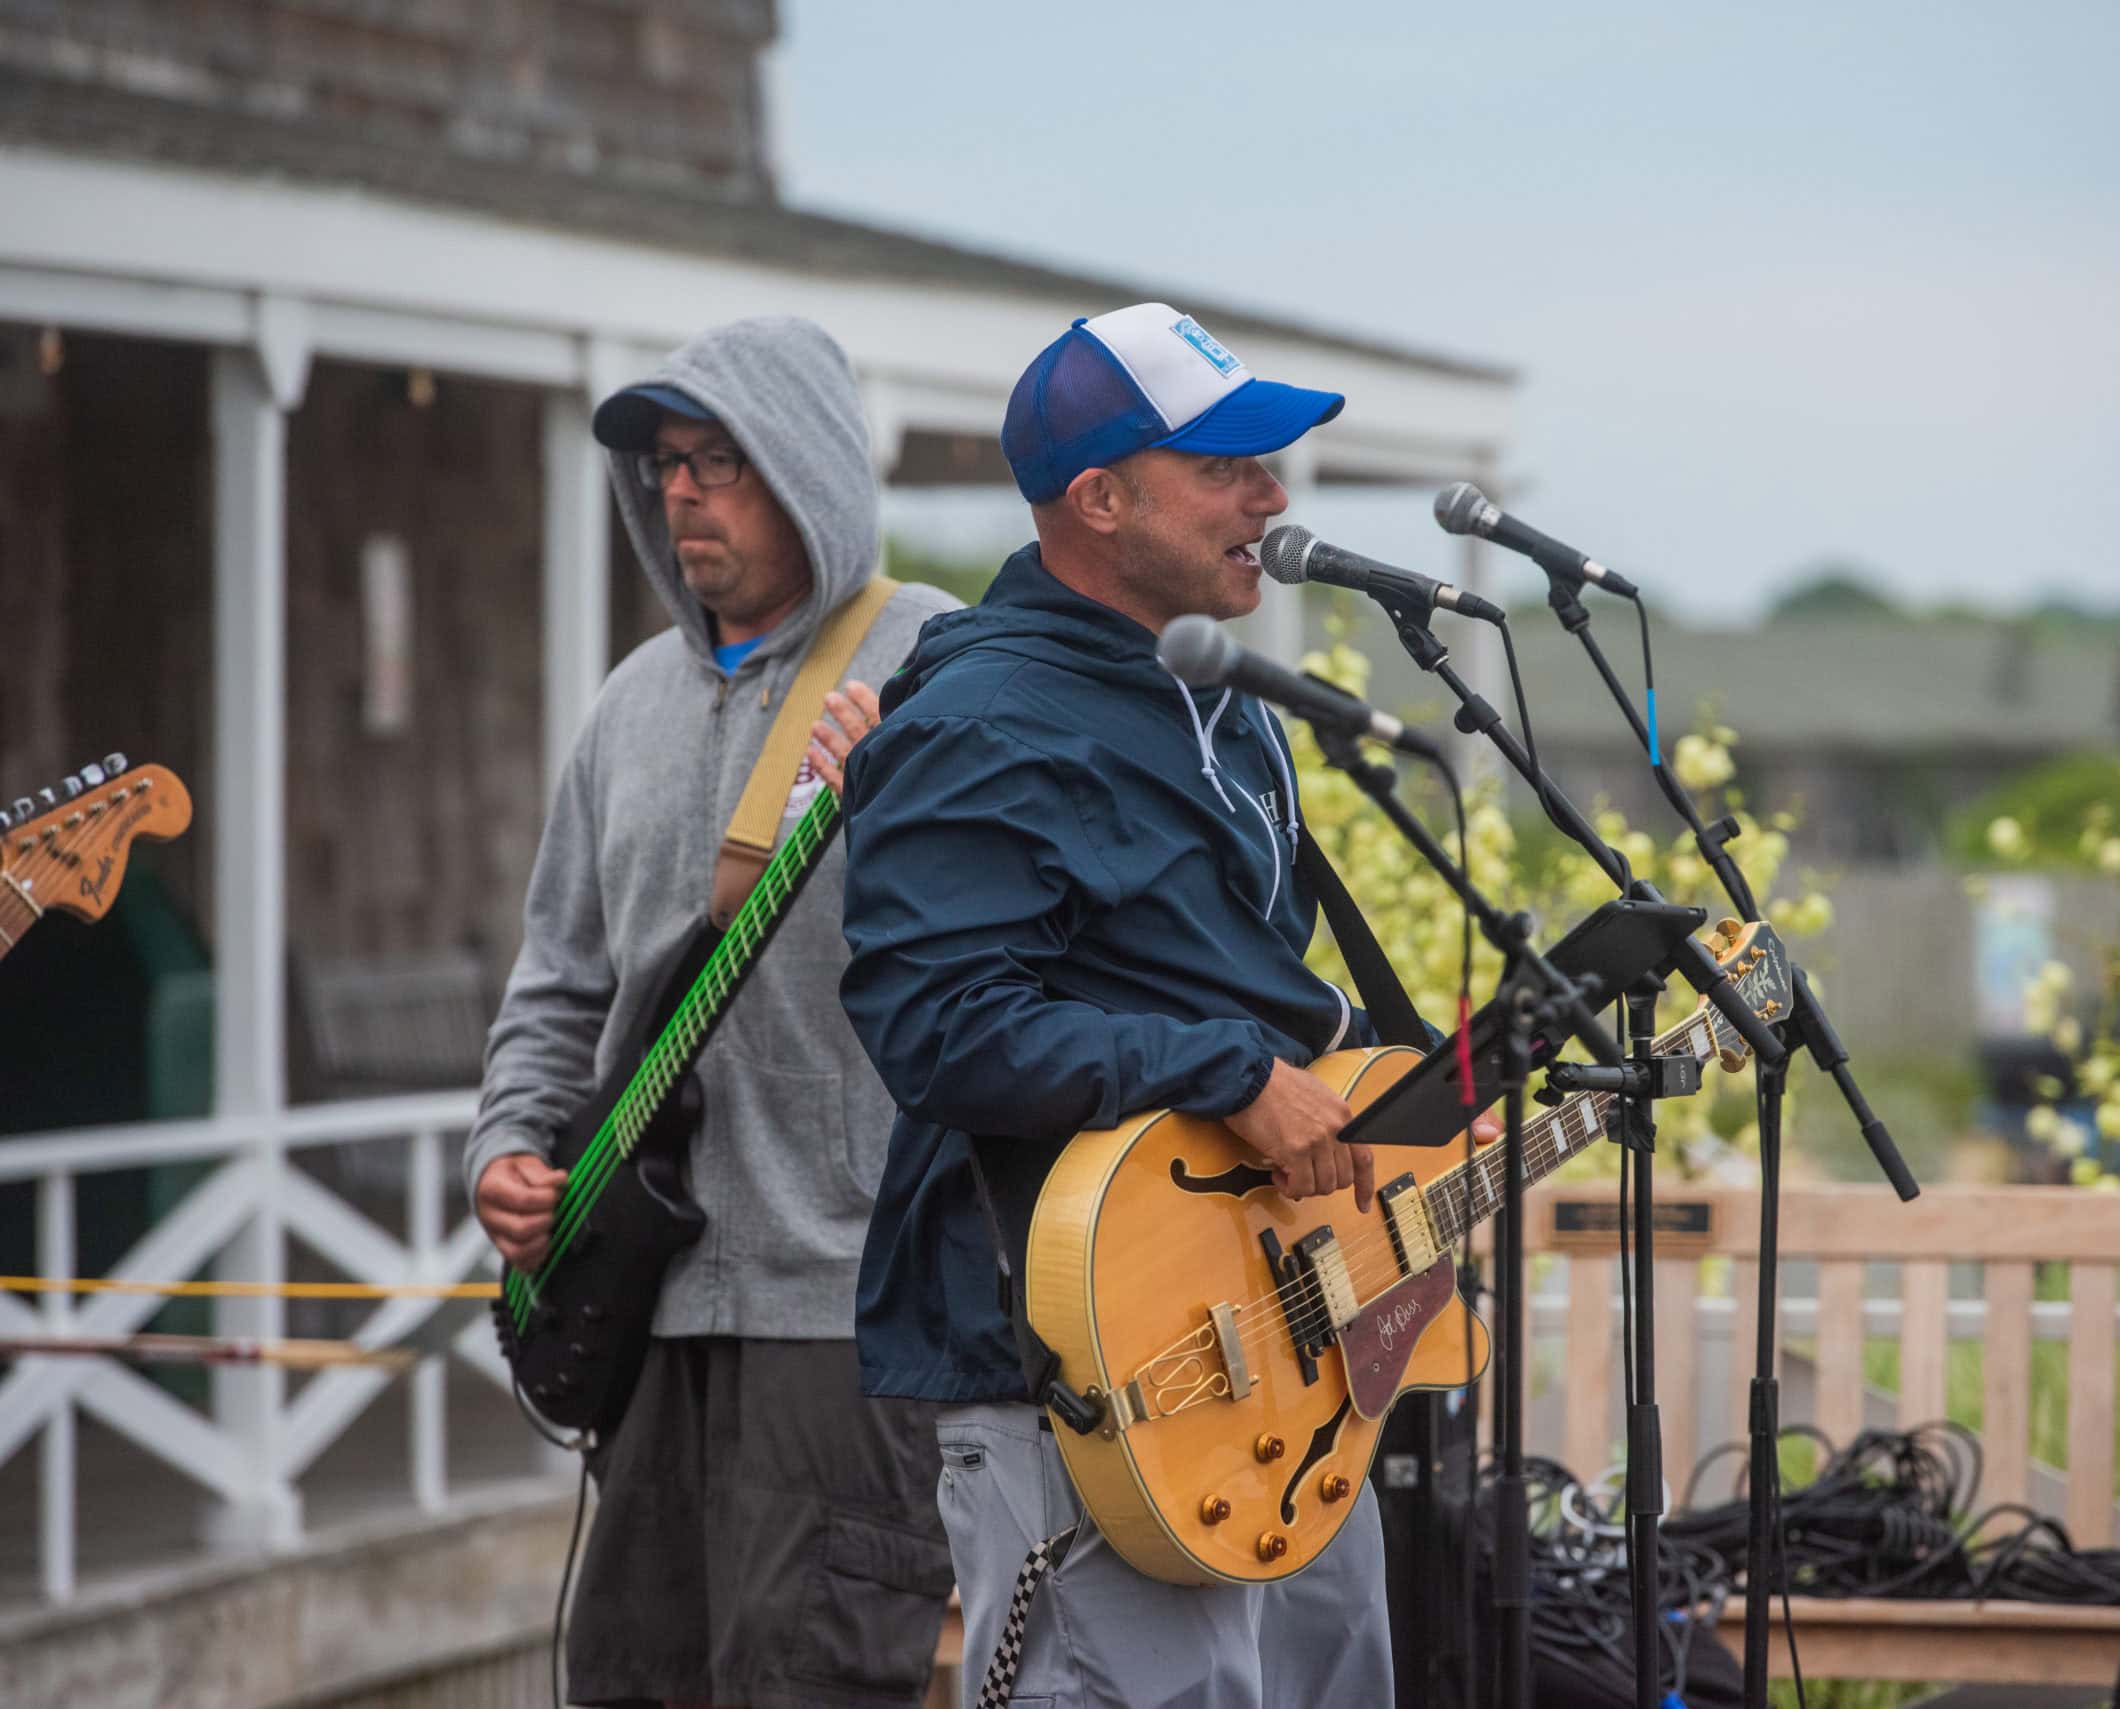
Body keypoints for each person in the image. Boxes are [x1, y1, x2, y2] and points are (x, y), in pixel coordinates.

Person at [829, 302, 1491, 1709]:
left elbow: (1241, 991)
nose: (1273, 495)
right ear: (1101, 500)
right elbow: (936, 1024)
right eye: (1227, 466)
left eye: (1270, 463)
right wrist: (1225, 1070)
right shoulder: (983, 719)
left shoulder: (1222, 700)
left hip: (1268, 1359)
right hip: (1082, 1366)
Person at [464, 314, 960, 1709]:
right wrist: (505, 1144)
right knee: (628, 1677)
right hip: (638, 1301)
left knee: (809, 1681)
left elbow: (1011, 953)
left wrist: (905, 803)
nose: (680, 491)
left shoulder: (939, 663)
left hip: (846, 1307)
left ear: (807, 466)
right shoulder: (629, 704)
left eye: (718, 461)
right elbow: (559, 981)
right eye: (667, 464)